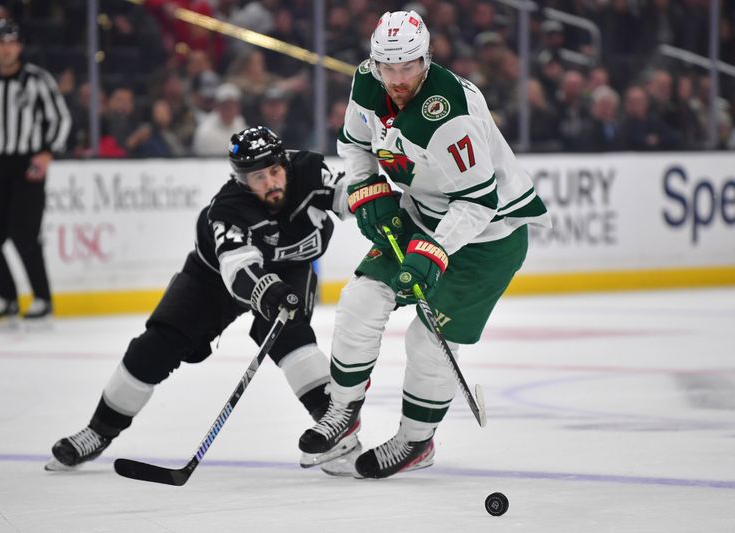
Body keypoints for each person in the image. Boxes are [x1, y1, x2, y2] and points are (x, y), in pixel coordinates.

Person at [297, 10, 550, 479]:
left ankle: (416, 441)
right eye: (387, 67)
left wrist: (432, 250)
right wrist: (367, 188)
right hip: (422, 213)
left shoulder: (448, 112)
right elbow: (354, 143)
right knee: (358, 301)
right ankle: (343, 412)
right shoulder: (367, 82)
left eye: (409, 66)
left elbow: (478, 203)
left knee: (428, 341)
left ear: (426, 59)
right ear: (375, 62)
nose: (397, 79)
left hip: (489, 237)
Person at [46, 126, 348, 470]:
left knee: (286, 333)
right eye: (258, 177)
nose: (271, 183)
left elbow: (353, 194)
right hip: (212, 277)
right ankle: (98, 431)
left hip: (289, 268)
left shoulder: (309, 173)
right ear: (241, 180)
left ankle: (337, 428)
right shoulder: (229, 209)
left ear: (285, 164)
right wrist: (267, 289)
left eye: (275, 171)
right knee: (156, 345)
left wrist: (384, 211)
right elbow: (237, 270)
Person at [0, 19, 71, 325]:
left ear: (20, 46)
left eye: (12, 42)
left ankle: (42, 298)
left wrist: (49, 152)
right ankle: (6, 297)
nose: (6, 48)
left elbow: (61, 119)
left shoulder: (38, 81)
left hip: (28, 165)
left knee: (24, 234)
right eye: (1, 42)